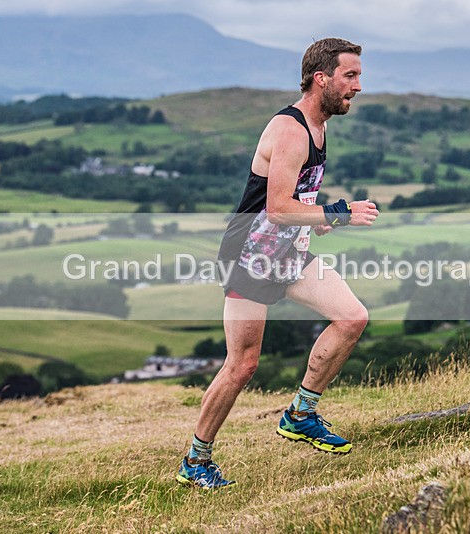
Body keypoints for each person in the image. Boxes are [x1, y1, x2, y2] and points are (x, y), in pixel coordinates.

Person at [176, 37, 379, 489]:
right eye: (351, 75)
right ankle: (196, 459)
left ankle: (300, 414)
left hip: (286, 251)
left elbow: (294, 202)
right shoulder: (291, 129)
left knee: (351, 317)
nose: (359, 86)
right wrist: (338, 214)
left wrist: (319, 221)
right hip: (249, 254)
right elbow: (275, 208)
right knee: (242, 365)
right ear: (321, 78)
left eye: (359, 76)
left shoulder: (320, 127)